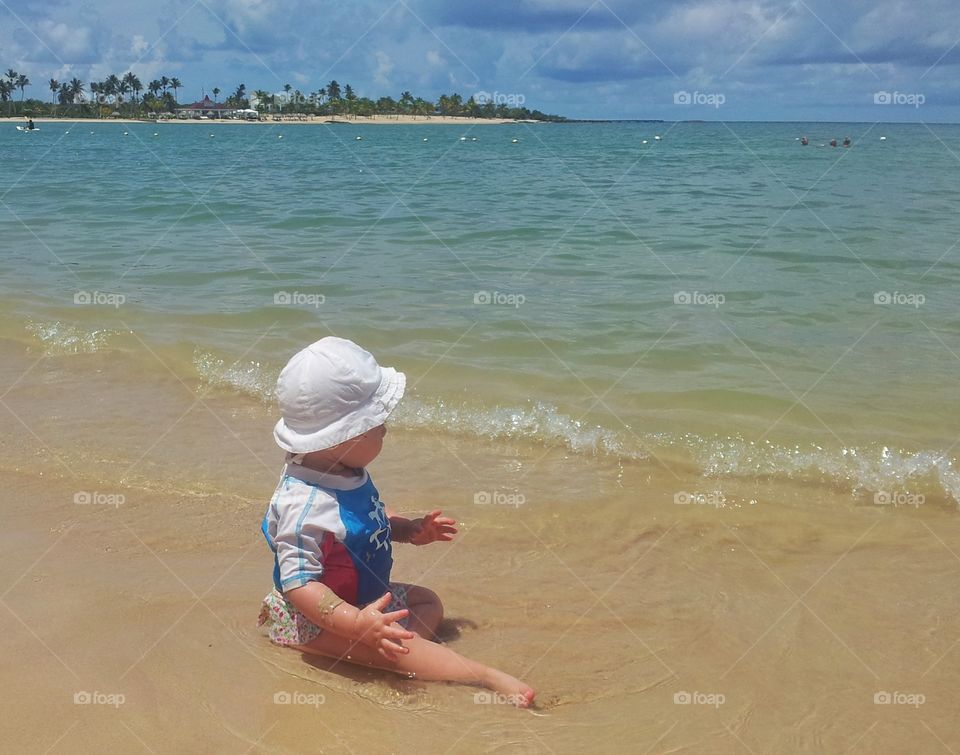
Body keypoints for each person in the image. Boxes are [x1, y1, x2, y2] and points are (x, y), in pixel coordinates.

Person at [258, 337, 536, 707]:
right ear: (343, 436)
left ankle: (388, 652)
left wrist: (408, 529)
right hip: (312, 619)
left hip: (363, 600)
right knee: (403, 645)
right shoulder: (304, 506)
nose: (386, 429)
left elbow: (365, 516)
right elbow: (299, 584)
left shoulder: (343, 470)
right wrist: (355, 624)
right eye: (377, 424)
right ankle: (480, 674)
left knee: (428, 602)